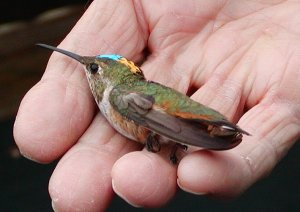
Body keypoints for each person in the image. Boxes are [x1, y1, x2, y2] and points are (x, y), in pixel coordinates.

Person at [13, 1, 300, 211]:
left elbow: (158, 118)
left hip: (164, 119)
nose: (89, 70)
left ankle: (207, 128)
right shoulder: (122, 90)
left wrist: (178, 133)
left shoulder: (118, 96)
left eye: (94, 69)